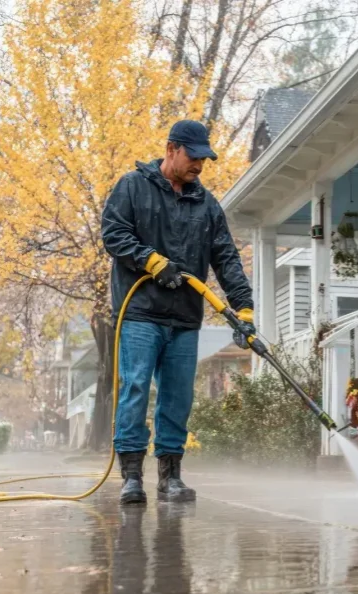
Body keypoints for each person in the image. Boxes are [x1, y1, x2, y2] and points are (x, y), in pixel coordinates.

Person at [101, 120, 255, 505]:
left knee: (177, 397)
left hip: (185, 317)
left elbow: (226, 258)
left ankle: (170, 478)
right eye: (193, 156)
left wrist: (244, 309)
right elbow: (114, 233)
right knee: (136, 387)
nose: (199, 165)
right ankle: (131, 477)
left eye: (204, 159)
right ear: (171, 149)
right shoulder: (132, 187)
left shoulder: (206, 205)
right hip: (139, 312)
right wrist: (151, 261)